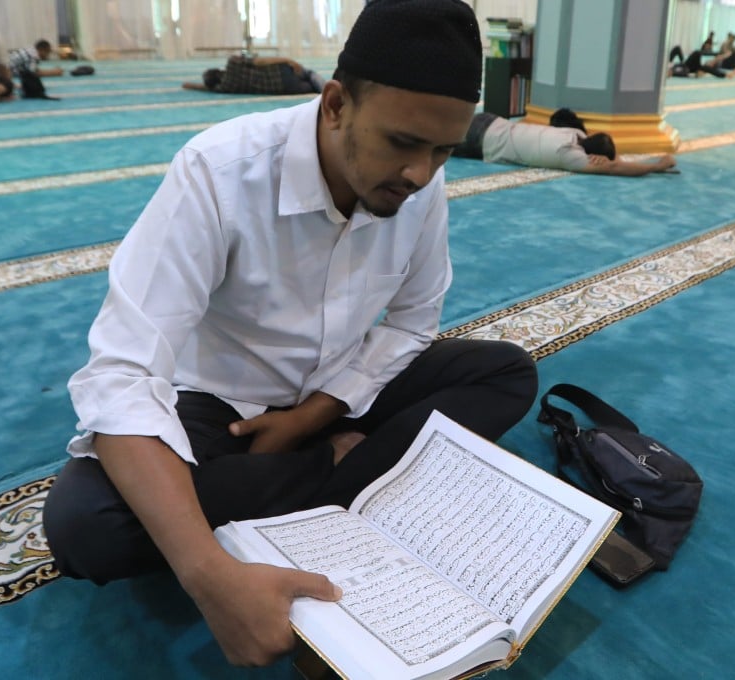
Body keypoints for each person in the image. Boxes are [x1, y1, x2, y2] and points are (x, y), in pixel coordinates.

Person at [42, 0, 537, 668]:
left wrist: (320, 412)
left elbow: (415, 321)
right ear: (336, 104)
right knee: (85, 527)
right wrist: (205, 573)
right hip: (221, 405)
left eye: (444, 151)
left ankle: (320, 469)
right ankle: (347, 474)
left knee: (505, 372)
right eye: (402, 143)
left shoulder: (419, 185)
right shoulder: (218, 172)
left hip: (336, 390)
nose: (421, 174)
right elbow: (121, 375)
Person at [451, 108, 677, 177]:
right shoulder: (567, 155)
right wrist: (656, 166)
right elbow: (613, 166)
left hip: (490, 118)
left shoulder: (573, 132)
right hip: (478, 141)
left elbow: (611, 161)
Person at [182, 52, 325, 94]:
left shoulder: (226, 88)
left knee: (311, 88)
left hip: (284, 89)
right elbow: (261, 61)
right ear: (218, 70)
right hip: (282, 73)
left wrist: (190, 85)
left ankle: (326, 93)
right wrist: (288, 60)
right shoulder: (233, 63)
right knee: (310, 74)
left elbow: (207, 88)